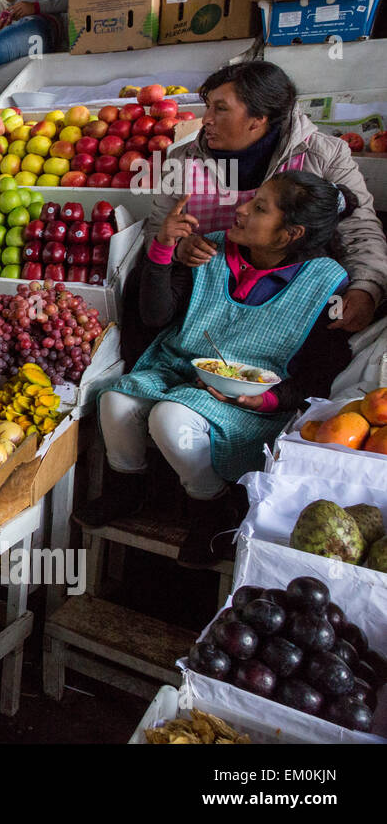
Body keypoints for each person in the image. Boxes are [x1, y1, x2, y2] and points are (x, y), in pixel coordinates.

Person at [84, 171, 355, 568]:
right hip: (175, 367)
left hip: (249, 402)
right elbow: (155, 316)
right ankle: (128, 488)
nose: (240, 209)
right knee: (116, 399)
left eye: (259, 208)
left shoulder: (325, 283)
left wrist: (266, 398)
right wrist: (163, 249)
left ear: (289, 235)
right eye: (251, 199)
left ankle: (214, 509)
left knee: (170, 418)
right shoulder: (210, 251)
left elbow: (319, 373)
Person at [144, 60, 386, 334]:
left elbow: (359, 229)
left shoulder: (324, 156)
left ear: (259, 118)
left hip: (290, 300)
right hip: (203, 297)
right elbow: (158, 229)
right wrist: (179, 247)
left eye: (220, 109)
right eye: (208, 106)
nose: (206, 119)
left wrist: (366, 287)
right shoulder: (182, 160)